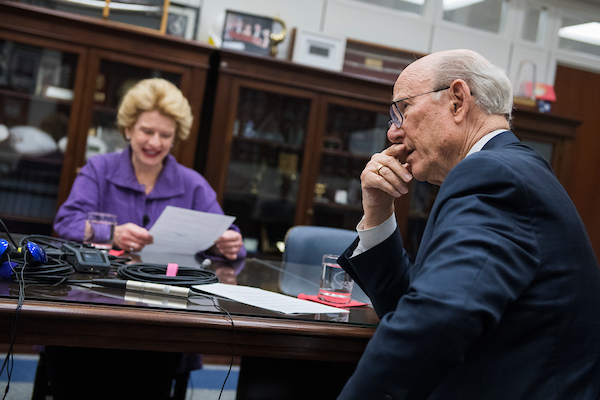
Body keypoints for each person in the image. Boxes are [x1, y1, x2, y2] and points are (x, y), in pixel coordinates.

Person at [336, 49, 600, 399]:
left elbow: (434, 321)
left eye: (401, 111)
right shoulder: (510, 167)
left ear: (457, 101)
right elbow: (411, 306)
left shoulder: (492, 175)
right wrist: (378, 210)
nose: (393, 133)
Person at [54, 77, 245, 260]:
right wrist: (112, 234)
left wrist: (226, 244)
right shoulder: (98, 170)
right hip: (102, 285)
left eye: (165, 135)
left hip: (169, 288)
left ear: (175, 138)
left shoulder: (193, 184)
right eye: (147, 131)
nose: (155, 142)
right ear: (128, 129)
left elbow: (233, 243)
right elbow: (67, 222)